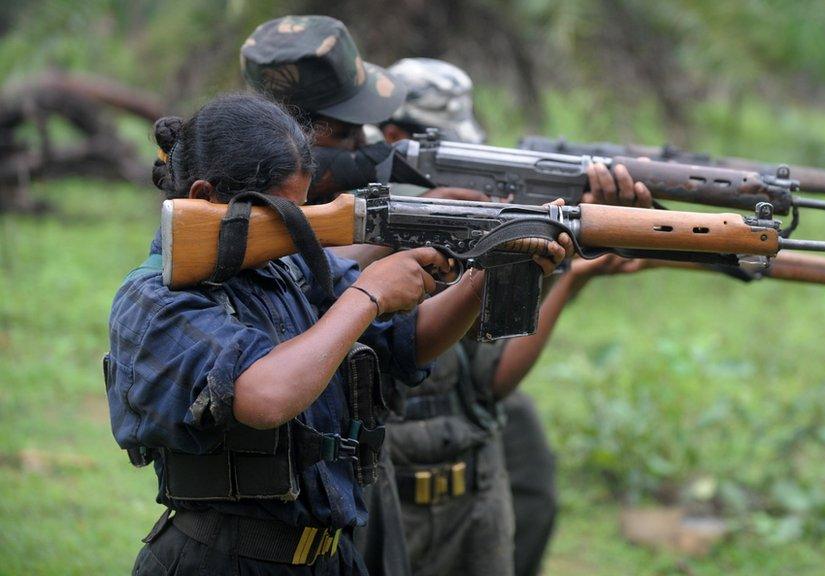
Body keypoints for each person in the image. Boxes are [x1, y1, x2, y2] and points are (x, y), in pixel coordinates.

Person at [105, 92, 570, 575]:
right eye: (286, 216)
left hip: (329, 557)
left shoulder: (281, 267)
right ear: (205, 199)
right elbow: (263, 397)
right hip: (221, 560)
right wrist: (367, 296)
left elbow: (409, 341)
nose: (299, 232)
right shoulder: (154, 300)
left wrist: (488, 270)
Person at [377, 57, 651, 576]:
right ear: (392, 136)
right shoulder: (357, 238)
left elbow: (489, 372)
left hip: (467, 489)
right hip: (386, 497)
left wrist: (561, 267)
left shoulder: (452, 228)